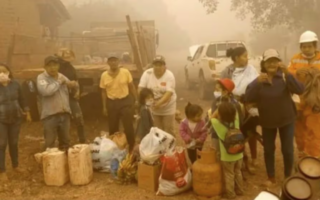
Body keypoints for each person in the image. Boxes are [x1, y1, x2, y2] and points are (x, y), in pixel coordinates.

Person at [245, 49, 304, 186]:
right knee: (268, 149)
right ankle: (271, 177)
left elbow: (299, 89)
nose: (272, 64)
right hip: (267, 121)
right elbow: (248, 98)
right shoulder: (259, 80)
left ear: (279, 63)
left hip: (286, 119)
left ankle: (288, 176)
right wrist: (256, 83)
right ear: (263, 64)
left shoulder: (284, 76)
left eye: (275, 61)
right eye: (268, 61)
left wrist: (288, 73)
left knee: (288, 149)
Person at [219, 47, 259, 171]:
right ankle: (241, 160)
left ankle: (254, 159)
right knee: (236, 133)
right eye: (244, 56)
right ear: (236, 58)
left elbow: (258, 86)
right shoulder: (227, 72)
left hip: (249, 106)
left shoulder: (251, 69)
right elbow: (221, 90)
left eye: (247, 56)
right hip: (233, 106)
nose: (247, 58)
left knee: (251, 133)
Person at [287, 30, 320, 158]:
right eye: (304, 46)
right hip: (298, 102)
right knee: (299, 130)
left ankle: (314, 157)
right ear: (300, 47)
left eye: (309, 46)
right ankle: (302, 153)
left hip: (315, 102)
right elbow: (288, 76)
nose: (306, 49)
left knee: (314, 130)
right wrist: (298, 72)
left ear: (315, 46)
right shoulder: (295, 60)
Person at [37, 56, 78, 150]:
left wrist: (73, 85)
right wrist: (59, 82)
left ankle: (64, 162)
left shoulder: (61, 75)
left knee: (66, 142)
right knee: (50, 143)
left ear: (58, 66)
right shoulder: (41, 77)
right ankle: (50, 164)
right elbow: (46, 91)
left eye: (55, 65)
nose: (53, 68)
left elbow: (70, 84)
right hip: (50, 115)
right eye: (49, 66)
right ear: (45, 67)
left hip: (65, 113)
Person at [100, 54, 138, 152]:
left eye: (115, 60)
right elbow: (103, 92)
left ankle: (131, 146)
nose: (113, 63)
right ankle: (115, 147)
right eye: (111, 61)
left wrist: (136, 99)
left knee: (128, 126)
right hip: (112, 103)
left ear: (118, 62)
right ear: (108, 63)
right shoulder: (104, 75)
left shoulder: (125, 72)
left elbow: (131, 86)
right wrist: (104, 107)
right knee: (113, 127)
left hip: (125, 101)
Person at [0, 63, 32, 181]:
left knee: (13, 143)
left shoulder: (16, 84)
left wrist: (27, 111)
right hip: (1, 119)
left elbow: (22, 99)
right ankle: (2, 171)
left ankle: (16, 166)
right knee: (1, 144)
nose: (2, 74)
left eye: (4, 71)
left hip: (15, 118)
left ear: (9, 72)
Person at [211, 102, 244, 199]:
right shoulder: (236, 121)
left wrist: (219, 107)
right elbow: (234, 110)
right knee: (238, 171)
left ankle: (231, 194)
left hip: (227, 156)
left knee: (229, 174)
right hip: (239, 153)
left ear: (220, 114)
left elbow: (212, 117)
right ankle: (240, 190)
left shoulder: (217, 124)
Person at [138, 55, 177, 135]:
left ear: (164, 66)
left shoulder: (169, 75)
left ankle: (170, 147)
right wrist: (144, 102)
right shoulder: (147, 73)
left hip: (168, 107)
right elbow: (140, 89)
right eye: (156, 65)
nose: (158, 67)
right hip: (153, 108)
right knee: (156, 131)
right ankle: (159, 147)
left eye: (160, 65)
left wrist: (158, 104)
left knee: (169, 130)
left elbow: (168, 93)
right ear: (153, 66)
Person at [56, 48, 87, 144]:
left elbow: (76, 80)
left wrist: (77, 91)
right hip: (61, 97)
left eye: (69, 55)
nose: (67, 57)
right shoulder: (58, 67)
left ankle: (82, 140)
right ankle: (63, 142)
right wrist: (68, 84)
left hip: (71, 97)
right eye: (65, 55)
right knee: (62, 120)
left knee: (79, 118)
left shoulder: (71, 67)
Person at [206, 79, 242, 152]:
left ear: (225, 91)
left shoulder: (235, 104)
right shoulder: (216, 102)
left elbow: (240, 121)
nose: (215, 91)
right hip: (216, 134)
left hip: (231, 136)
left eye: (218, 89)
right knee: (217, 153)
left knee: (231, 152)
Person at [295, 67, 320, 158]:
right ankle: (304, 155)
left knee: (313, 135)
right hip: (301, 105)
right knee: (300, 135)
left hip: (313, 106)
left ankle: (312, 158)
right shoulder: (295, 60)